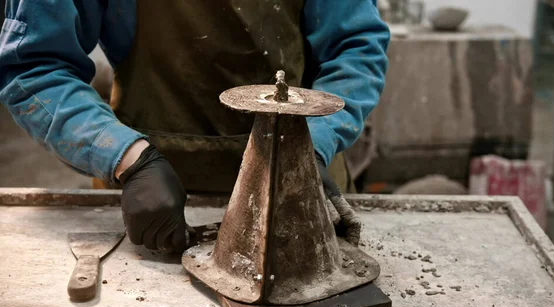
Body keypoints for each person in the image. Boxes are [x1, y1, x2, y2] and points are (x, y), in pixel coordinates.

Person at [0, 0, 390, 253]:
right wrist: (127, 158)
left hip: (303, 184)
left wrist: (310, 149)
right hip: (153, 204)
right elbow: (34, 65)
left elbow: (355, 45)